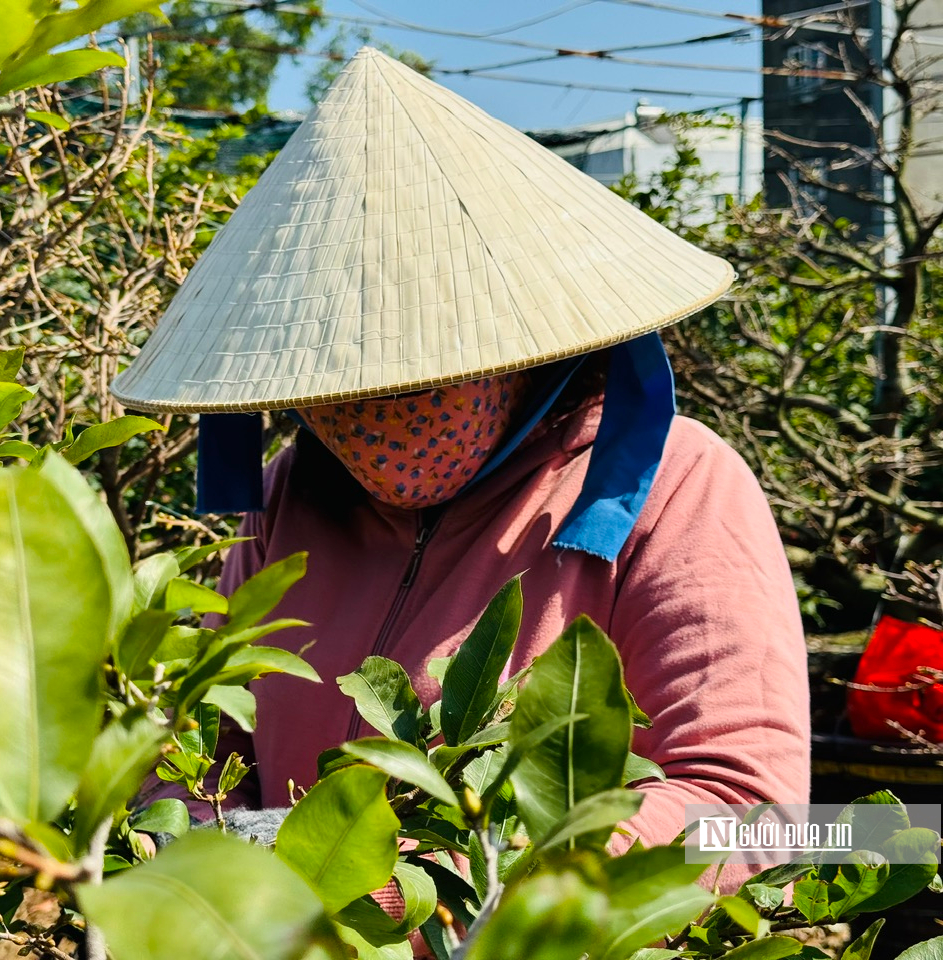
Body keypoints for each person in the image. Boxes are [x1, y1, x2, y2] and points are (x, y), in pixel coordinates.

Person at [112, 47, 809, 895]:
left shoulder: (678, 485)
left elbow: (747, 808)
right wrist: (200, 852)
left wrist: (428, 888)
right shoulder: (290, 497)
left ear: (524, 349)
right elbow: (206, 752)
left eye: (423, 378)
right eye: (343, 386)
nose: (379, 417)